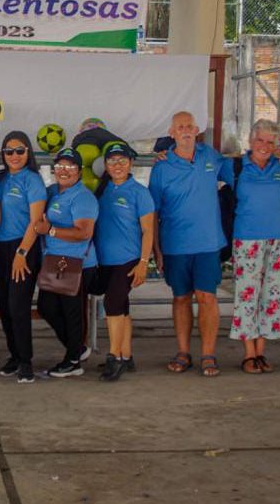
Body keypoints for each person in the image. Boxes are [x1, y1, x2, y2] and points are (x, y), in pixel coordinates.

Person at [148, 111, 231, 378]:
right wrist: (157, 250)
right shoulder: (161, 167)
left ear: (196, 130)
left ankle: (208, 355)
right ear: (171, 132)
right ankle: (183, 352)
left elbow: (246, 170)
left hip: (208, 244)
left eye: (189, 126)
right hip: (175, 246)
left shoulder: (212, 157)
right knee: (181, 298)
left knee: (207, 298)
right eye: (179, 127)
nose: (185, 130)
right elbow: (153, 214)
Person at [228, 119, 280, 374]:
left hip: (279, 240)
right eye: (260, 140)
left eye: (270, 142)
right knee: (247, 295)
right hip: (247, 239)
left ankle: (261, 351)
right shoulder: (235, 166)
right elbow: (203, 162)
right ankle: (248, 353)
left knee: (272, 296)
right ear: (250, 141)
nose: (264, 146)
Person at [34, 147, 98, 378]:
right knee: (46, 307)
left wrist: (49, 230)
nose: (64, 171)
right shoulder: (52, 191)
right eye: (59, 166)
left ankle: (73, 361)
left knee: (72, 313)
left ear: (79, 172)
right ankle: (77, 349)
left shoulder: (83, 198)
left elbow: (83, 233)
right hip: (54, 261)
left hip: (76, 263)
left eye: (70, 167)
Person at [93, 143, 155, 382]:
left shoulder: (139, 192)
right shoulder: (103, 190)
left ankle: (114, 357)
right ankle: (127, 355)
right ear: (105, 166)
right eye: (112, 161)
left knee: (113, 305)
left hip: (127, 260)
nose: (117, 165)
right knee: (122, 308)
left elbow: (148, 231)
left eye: (122, 161)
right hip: (104, 260)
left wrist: (143, 263)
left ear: (131, 163)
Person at [0, 131, 46, 384]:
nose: (14, 156)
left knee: (18, 306)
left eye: (20, 151)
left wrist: (22, 253)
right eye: (9, 151)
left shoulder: (32, 180)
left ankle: (26, 360)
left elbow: (36, 222)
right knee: (4, 306)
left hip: (23, 247)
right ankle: (14, 355)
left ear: (28, 153)